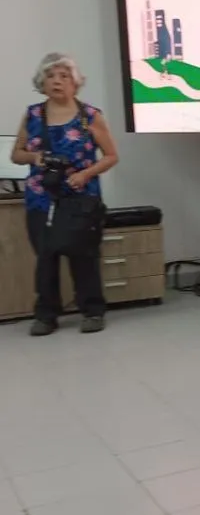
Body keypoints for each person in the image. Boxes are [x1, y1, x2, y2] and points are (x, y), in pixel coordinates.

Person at [9, 53, 120, 337]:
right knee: (45, 257)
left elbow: (111, 156)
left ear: (75, 82)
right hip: (41, 198)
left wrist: (85, 174)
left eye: (64, 76)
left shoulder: (90, 116)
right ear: (42, 82)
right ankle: (46, 316)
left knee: (84, 256)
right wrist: (35, 157)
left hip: (81, 198)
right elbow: (16, 154)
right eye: (50, 76)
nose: (57, 81)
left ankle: (92, 311)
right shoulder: (33, 115)